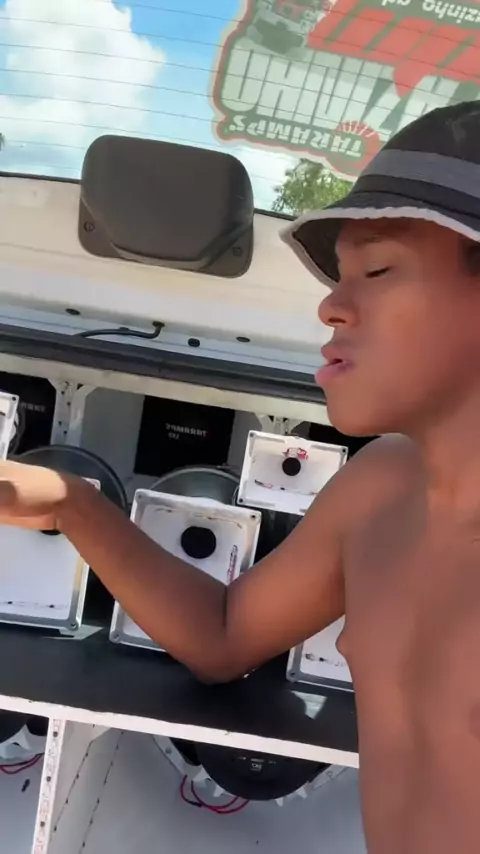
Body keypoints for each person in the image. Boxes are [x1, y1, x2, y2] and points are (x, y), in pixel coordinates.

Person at [1, 99, 480, 853]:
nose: (332, 306)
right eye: (341, 275)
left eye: (380, 269)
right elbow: (222, 637)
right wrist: (71, 503)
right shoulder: (380, 488)